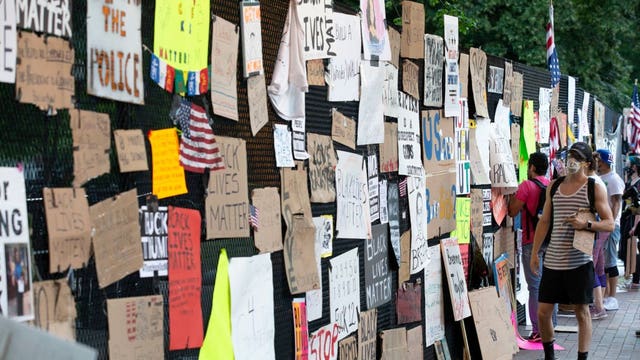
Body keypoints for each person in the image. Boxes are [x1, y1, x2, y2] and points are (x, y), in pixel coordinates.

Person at [531, 142, 614, 360]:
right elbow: (545, 221)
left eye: (577, 157)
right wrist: (534, 253)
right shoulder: (554, 186)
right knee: (543, 312)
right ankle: (550, 355)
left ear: (587, 163)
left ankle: (582, 357)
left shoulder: (594, 187)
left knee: (582, 312)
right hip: (553, 261)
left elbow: (609, 223)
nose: (571, 161)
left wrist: (586, 225)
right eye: (570, 155)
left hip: (579, 262)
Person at [508, 152, 557, 341]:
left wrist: (512, 197)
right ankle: (552, 326)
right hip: (551, 242)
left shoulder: (527, 186)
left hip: (532, 242)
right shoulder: (551, 185)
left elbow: (513, 211)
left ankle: (538, 331)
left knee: (535, 288)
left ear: (532, 168)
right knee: (550, 286)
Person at [595, 149, 625, 311]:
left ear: (604, 161)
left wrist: (611, 223)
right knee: (603, 261)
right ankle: (605, 295)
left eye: (598, 160)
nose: (597, 163)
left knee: (610, 261)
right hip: (602, 225)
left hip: (611, 226)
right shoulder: (600, 178)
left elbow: (617, 202)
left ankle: (613, 296)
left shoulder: (613, 179)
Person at [586, 155, 609, 320]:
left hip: (597, 228)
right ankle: (600, 304)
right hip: (601, 228)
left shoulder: (592, 182)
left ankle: (599, 306)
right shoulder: (596, 180)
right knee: (599, 266)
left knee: (590, 266)